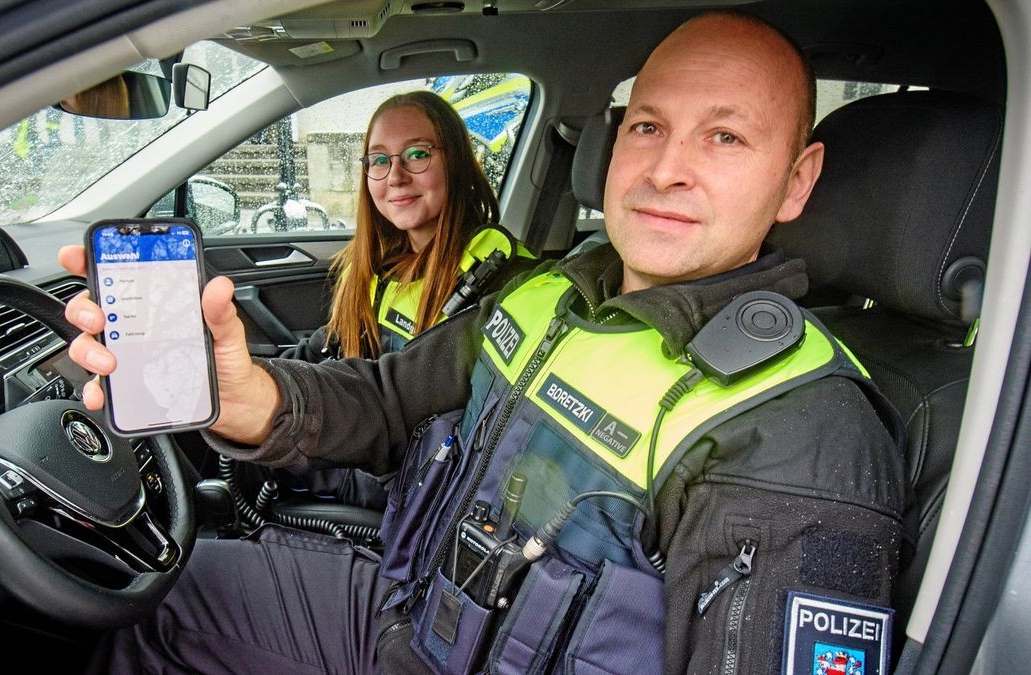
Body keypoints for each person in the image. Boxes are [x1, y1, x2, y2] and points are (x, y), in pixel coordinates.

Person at [62, 10, 904, 674]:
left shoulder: (804, 430)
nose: (666, 168)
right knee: (165, 595)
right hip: (404, 616)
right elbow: (390, 401)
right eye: (648, 126)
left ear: (796, 181)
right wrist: (247, 395)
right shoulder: (547, 294)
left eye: (724, 136)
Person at [286, 90, 536, 363]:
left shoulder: (508, 283)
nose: (395, 176)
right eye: (380, 160)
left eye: (417, 154)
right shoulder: (375, 267)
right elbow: (319, 349)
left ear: (456, 162)